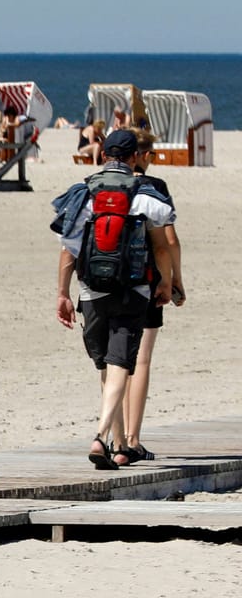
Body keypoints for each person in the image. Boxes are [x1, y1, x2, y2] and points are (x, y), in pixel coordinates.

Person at [54, 128, 180, 469]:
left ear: (103, 154)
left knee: (107, 367)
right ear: (134, 157)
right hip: (132, 290)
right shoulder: (145, 193)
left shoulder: (84, 193)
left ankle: (120, 442)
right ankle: (100, 435)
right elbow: (163, 244)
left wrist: (62, 293)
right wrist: (167, 283)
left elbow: (69, 250)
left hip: (92, 291)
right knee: (120, 364)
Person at [121, 130, 185, 461]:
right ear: (145, 156)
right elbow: (170, 241)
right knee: (141, 359)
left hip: (109, 282)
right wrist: (175, 280)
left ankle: (114, 439)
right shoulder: (154, 187)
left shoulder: (105, 184)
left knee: (115, 360)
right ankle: (132, 439)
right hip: (146, 279)